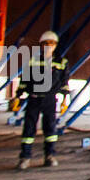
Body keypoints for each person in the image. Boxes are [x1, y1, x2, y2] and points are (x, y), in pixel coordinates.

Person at [16, 31, 67, 169]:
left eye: (51, 43)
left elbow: (64, 82)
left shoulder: (61, 62)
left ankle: (50, 156)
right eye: (46, 43)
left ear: (56, 45)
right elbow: (24, 79)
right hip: (34, 98)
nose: (48, 46)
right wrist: (19, 93)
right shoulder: (33, 60)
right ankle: (25, 158)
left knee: (50, 129)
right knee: (29, 129)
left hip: (50, 100)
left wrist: (64, 99)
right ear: (41, 45)